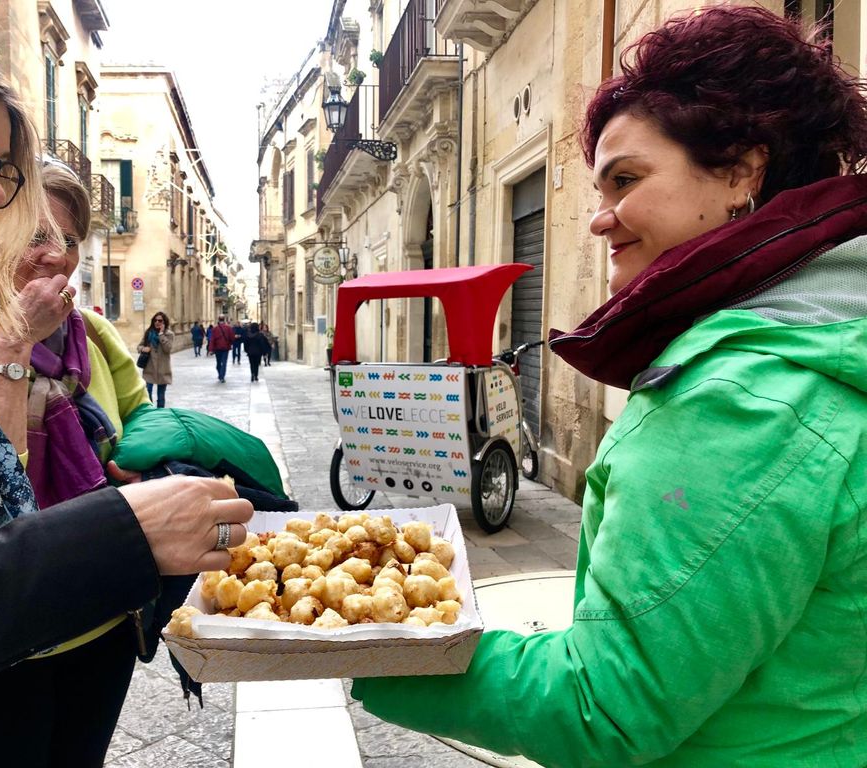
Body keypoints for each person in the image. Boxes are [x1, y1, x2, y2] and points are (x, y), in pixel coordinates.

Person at [352, 7, 867, 767]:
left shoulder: (741, 399)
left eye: (625, 181)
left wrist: (361, 642)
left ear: (741, 172)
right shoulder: (830, 335)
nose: (598, 220)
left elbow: (607, 707)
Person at [0, 16, 251, 767]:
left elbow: (127, 439)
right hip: (0, 651)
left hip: (88, 615)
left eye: (1, 167)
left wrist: (155, 470)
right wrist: (116, 533)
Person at [0, 160, 162, 765]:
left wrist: (140, 462)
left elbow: (141, 420)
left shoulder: (88, 333)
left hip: (101, 613)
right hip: (1, 639)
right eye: (36, 236)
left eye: (68, 239)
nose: (57, 256)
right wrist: (12, 345)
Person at [139, 311, 173, 407]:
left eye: (160, 320)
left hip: (163, 369)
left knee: (161, 396)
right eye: (155, 320)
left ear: (164, 322)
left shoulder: (169, 334)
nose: (157, 322)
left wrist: (161, 334)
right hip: (149, 368)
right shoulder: (148, 333)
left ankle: (160, 414)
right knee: (147, 392)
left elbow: (168, 349)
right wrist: (143, 348)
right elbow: (139, 346)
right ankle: (150, 412)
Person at [208, 315, 235, 383]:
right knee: (224, 362)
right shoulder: (228, 328)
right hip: (225, 348)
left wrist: (211, 349)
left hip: (217, 348)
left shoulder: (215, 329)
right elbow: (232, 338)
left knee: (218, 363)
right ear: (224, 319)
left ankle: (220, 374)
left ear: (218, 319)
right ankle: (222, 376)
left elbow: (212, 339)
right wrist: (230, 343)